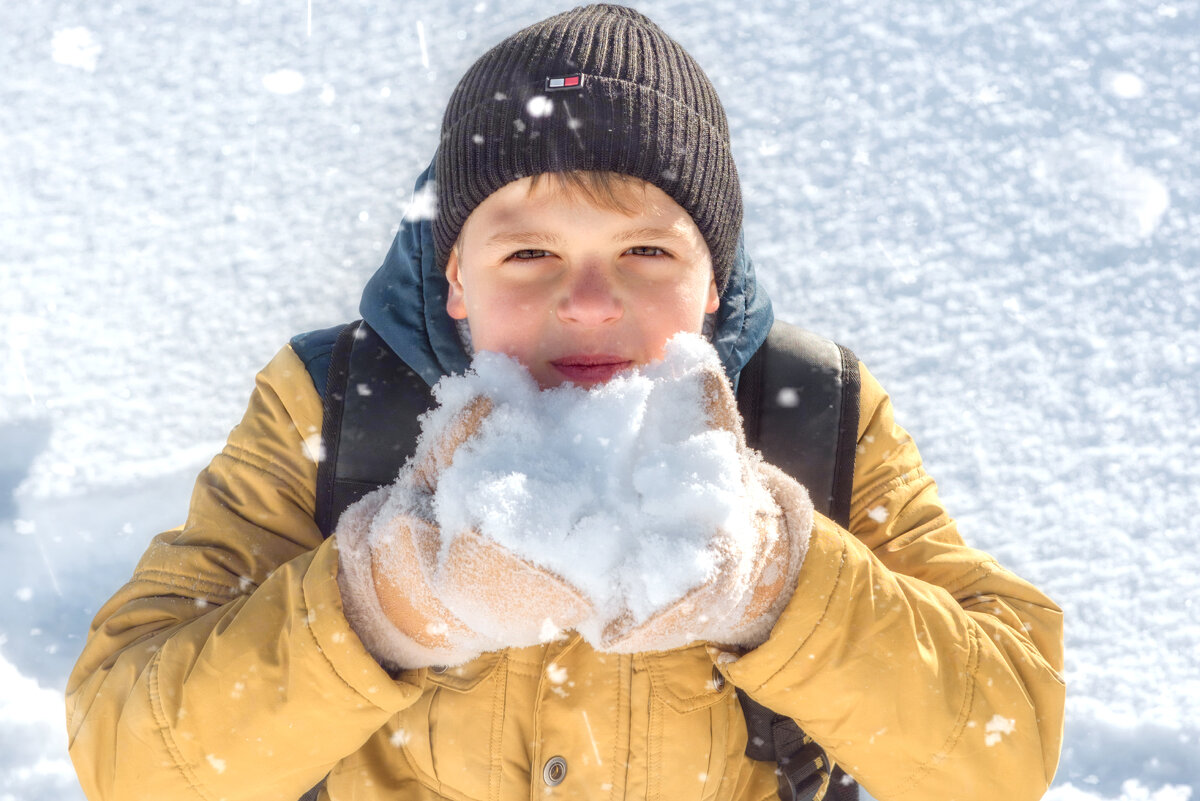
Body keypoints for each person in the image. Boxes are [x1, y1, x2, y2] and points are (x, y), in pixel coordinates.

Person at [65, 5, 1065, 801]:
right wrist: (387, 600)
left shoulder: (818, 415)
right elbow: (132, 764)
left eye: (646, 252)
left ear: (713, 277)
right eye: (530, 252)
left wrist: (777, 586)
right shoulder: (331, 408)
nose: (589, 303)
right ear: (457, 275)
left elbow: (1003, 756)